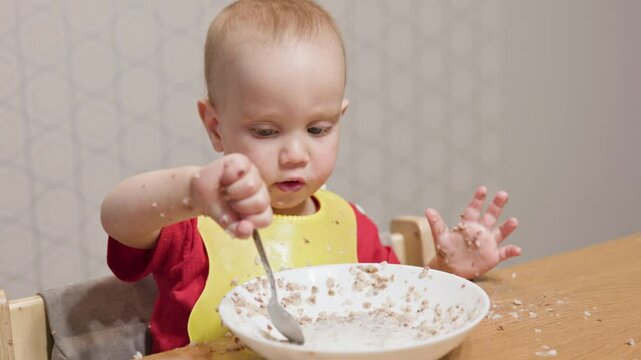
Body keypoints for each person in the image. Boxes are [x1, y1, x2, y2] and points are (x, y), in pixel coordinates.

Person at [100, 0, 521, 353]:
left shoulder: (354, 228)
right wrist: (190, 190)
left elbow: (393, 317)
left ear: (341, 119)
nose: (296, 155)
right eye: (266, 132)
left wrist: (447, 272)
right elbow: (118, 218)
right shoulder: (193, 226)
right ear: (215, 127)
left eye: (318, 130)